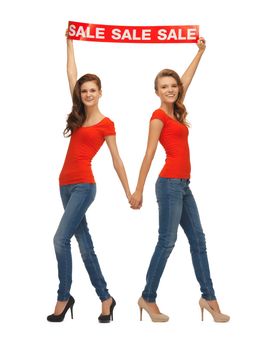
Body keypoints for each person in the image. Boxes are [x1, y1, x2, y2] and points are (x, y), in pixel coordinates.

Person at [129, 38, 230, 323]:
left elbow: (186, 78)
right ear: (156, 92)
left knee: (198, 240)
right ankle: (148, 297)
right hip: (169, 184)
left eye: (173, 86)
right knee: (167, 241)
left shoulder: (177, 109)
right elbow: (149, 154)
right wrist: (138, 190)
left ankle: (209, 298)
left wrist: (200, 51)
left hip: (183, 185)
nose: (171, 89)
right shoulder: (158, 117)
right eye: (164, 87)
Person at [47, 35, 131, 323]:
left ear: (101, 92)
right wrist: (69, 43)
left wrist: (129, 191)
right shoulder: (78, 114)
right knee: (84, 245)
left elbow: (116, 159)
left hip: (84, 185)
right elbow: (71, 73)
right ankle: (106, 298)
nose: (88, 94)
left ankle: (63, 296)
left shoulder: (107, 124)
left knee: (60, 239)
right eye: (84, 90)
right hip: (64, 184)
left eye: (92, 90)